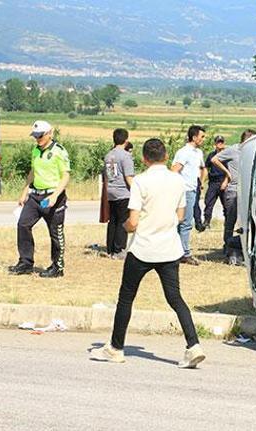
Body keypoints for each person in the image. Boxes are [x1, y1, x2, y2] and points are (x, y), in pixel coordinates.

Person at [90, 138, 206, 368]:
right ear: (165, 156)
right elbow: (181, 215)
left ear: (144, 158)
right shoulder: (177, 180)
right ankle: (193, 346)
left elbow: (132, 221)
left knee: (126, 298)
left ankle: (115, 348)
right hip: (170, 248)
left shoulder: (141, 182)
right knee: (175, 298)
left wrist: (125, 228)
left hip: (143, 248)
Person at [9, 121, 70, 278]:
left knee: (55, 233)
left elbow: (66, 176)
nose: (38, 139)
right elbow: (32, 172)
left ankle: (57, 267)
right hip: (35, 196)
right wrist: (25, 191)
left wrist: (55, 196)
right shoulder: (35, 150)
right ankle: (25, 263)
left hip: (53, 197)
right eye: (35, 136)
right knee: (23, 224)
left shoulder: (59, 151)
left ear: (50, 133)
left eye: (40, 136)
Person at [212, 129, 256, 265]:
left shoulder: (253, 151)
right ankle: (228, 249)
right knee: (230, 220)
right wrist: (228, 174)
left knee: (248, 220)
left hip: (248, 190)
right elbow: (215, 159)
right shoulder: (233, 150)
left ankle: (245, 248)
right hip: (234, 190)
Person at [171, 125, 207, 265]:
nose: (203, 139)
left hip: (192, 190)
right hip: (183, 191)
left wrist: (201, 182)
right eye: (202, 136)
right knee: (184, 223)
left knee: (185, 222)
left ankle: (180, 252)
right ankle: (183, 254)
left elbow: (203, 169)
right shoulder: (184, 152)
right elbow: (174, 169)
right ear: (194, 137)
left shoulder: (198, 153)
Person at [104, 128, 135, 259]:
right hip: (123, 192)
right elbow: (129, 177)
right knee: (122, 221)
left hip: (111, 191)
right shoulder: (125, 156)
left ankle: (110, 248)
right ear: (126, 140)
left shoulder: (109, 155)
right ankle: (119, 249)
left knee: (113, 220)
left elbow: (109, 175)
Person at [201, 135, 228, 229]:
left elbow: (230, 171)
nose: (220, 144)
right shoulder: (211, 155)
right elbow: (205, 168)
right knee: (208, 203)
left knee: (227, 205)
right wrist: (202, 181)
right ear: (215, 144)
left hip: (224, 181)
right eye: (218, 142)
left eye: (222, 142)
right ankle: (207, 222)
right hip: (213, 182)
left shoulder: (227, 155)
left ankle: (228, 224)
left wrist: (225, 182)